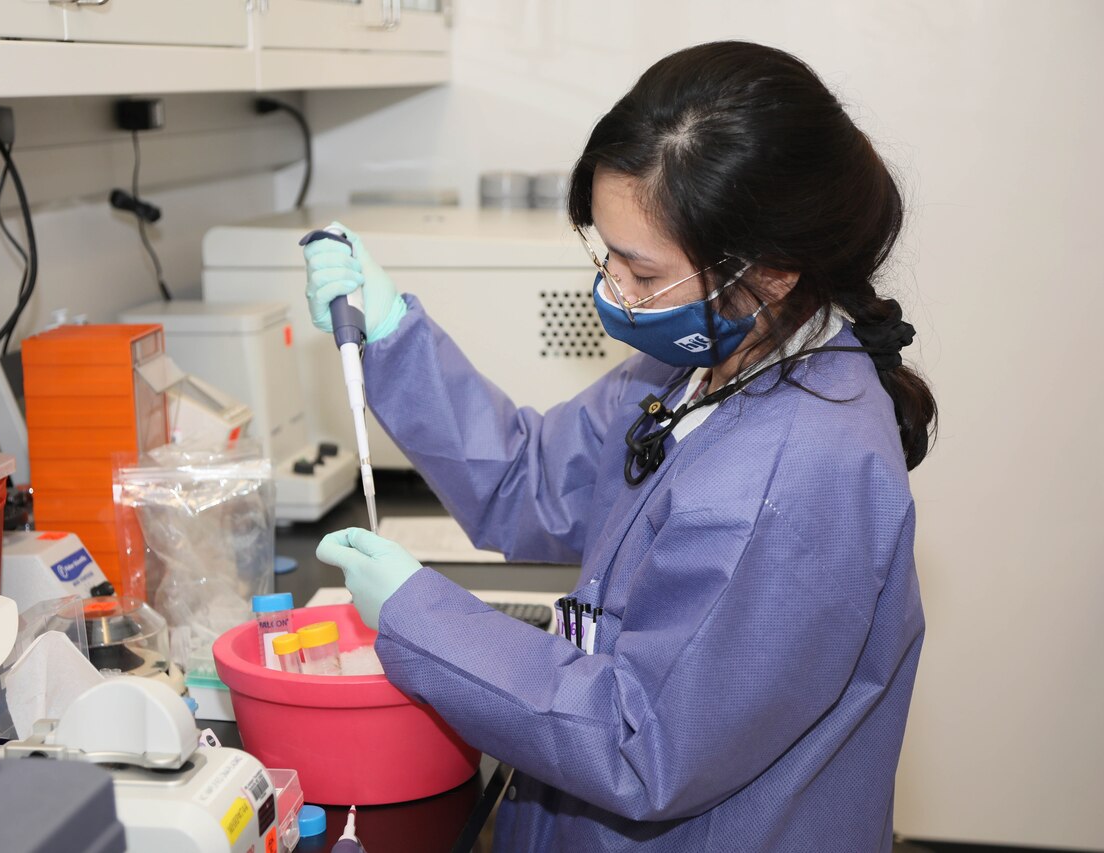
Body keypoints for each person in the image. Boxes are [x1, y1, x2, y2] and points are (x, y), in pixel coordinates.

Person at [304, 40, 934, 852]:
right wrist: (393, 338)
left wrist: (421, 618)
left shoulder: (795, 477)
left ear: (772, 271)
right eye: (604, 253)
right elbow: (532, 483)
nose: (613, 292)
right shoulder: (702, 361)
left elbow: (645, 740)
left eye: (642, 272)